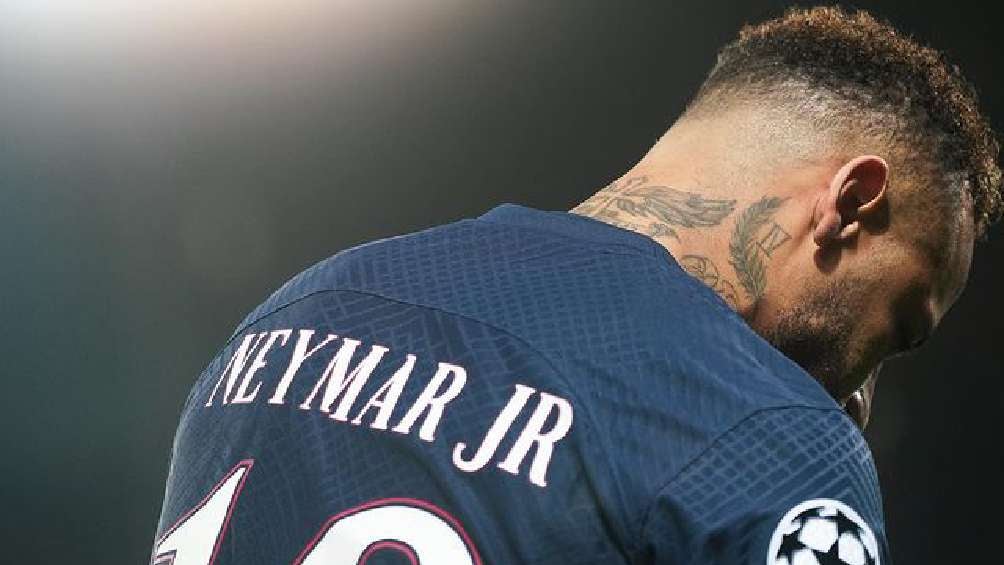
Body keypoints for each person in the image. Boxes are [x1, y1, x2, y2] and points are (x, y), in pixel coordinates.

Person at [151, 6, 999, 564]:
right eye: (899, 326)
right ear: (850, 203)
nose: (860, 395)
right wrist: (806, 438)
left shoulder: (296, 311)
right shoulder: (770, 436)